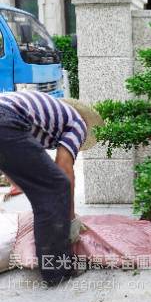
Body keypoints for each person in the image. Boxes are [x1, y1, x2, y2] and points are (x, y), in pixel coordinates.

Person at [0, 90, 103, 285]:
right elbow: (64, 169)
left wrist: (19, 183)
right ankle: (57, 271)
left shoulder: (48, 118)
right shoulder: (79, 124)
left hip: (6, 120)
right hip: (5, 118)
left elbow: (14, 154)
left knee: (47, 188)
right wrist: (71, 219)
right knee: (55, 188)